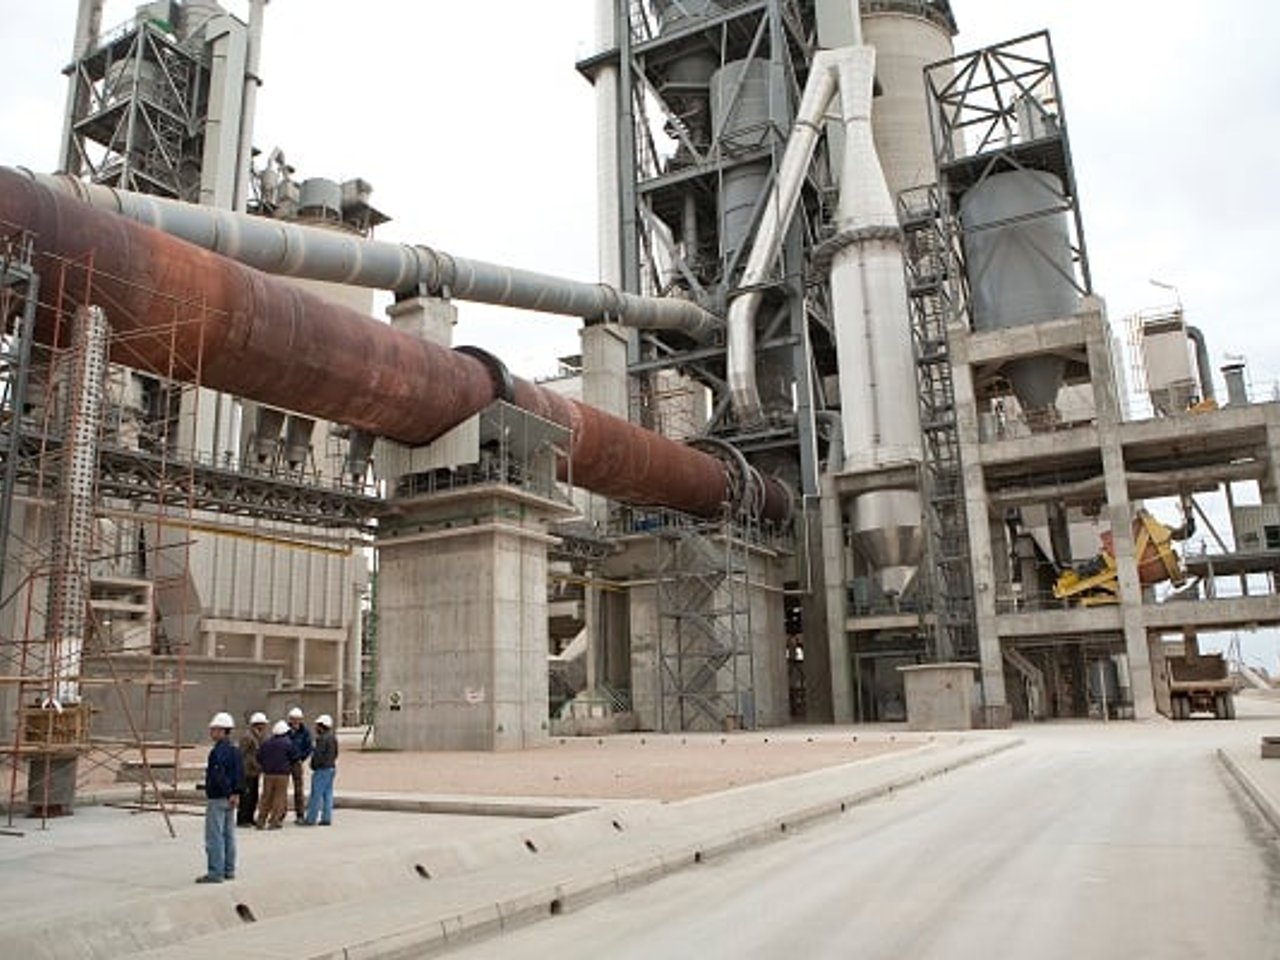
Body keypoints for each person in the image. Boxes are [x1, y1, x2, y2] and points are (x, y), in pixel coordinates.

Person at [197, 712, 243, 884]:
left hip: (218, 797)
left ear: (223, 731)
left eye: (214, 729)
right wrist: (236, 792)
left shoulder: (217, 752)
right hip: (231, 798)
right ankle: (229, 870)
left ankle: (215, 872)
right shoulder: (235, 750)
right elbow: (240, 773)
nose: (212, 732)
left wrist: (228, 792)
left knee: (214, 836)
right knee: (228, 835)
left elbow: (218, 775)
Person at [255, 720, 293, 830]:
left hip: (268, 774)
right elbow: (294, 756)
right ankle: (274, 821)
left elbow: (259, 757)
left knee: (266, 797)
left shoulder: (266, 743)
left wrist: (265, 765)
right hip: (282, 774)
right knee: (279, 798)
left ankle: (261, 820)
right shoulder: (288, 743)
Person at [302, 713, 338, 826]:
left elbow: (318, 755)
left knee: (316, 795)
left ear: (322, 726)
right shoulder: (333, 738)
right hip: (331, 768)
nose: (316, 728)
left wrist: (313, 765)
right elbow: (336, 753)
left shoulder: (321, 739)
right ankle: (326, 818)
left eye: (317, 725)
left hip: (321, 770)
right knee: (328, 794)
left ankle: (311, 819)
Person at [236, 711, 268, 827]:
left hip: (255, 771)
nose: (265, 727)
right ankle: (243, 819)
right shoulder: (247, 737)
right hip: (247, 771)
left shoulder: (259, 736)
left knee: (253, 796)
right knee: (246, 797)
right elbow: (242, 754)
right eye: (263, 724)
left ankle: (250, 817)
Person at [285, 706, 313, 824]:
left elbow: (309, 748)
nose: (295, 722)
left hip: (297, 762)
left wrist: (302, 758)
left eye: (297, 719)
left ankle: (300, 814)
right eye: (293, 719)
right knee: (282, 789)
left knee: (299, 790)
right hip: (285, 762)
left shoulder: (305, 732)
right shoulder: (285, 730)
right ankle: (280, 813)